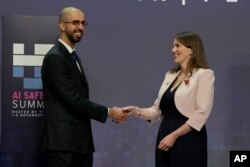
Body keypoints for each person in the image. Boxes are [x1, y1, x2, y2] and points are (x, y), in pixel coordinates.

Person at [40, 7, 127, 167]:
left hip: (80, 144)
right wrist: (109, 112)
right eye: (75, 22)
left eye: (83, 23)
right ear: (62, 25)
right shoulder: (55, 57)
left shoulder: (72, 57)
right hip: (62, 145)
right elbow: (73, 100)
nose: (80, 27)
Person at [123, 31, 215, 167]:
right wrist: (136, 111)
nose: (173, 50)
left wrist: (174, 136)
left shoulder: (204, 75)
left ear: (191, 49)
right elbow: (156, 110)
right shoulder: (170, 75)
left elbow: (201, 114)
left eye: (177, 46)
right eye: (173, 46)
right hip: (165, 134)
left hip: (188, 137)